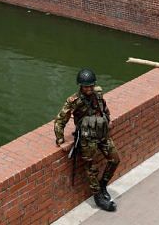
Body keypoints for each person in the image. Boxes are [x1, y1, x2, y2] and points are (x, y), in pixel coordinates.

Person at [55, 69, 120, 211]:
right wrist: (61, 140)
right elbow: (60, 120)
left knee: (115, 159)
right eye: (86, 86)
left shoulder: (98, 94)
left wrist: (108, 120)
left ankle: (103, 185)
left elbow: (104, 108)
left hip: (102, 134)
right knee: (91, 169)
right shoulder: (74, 101)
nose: (89, 89)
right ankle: (98, 198)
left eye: (90, 86)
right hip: (87, 139)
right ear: (80, 86)